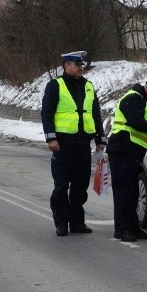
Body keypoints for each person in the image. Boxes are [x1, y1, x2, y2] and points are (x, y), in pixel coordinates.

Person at [41, 51, 107, 237]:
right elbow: (47, 113)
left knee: (80, 185)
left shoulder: (88, 86)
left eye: (82, 65)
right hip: (62, 144)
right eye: (77, 65)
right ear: (66, 66)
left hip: (82, 144)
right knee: (61, 185)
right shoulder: (56, 86)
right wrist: (51, 138)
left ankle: (77, 222)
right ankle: (61, 223)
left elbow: (95, 114)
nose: (81, 68)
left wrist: (100, 138)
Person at [106, 77, 147, 242]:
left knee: (133, 192)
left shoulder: (146, 103)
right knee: (123, 192)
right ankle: (121, 230)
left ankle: (133, 228)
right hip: (121, 150)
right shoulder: (132, 98)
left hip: (132, 154)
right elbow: (136, 122)